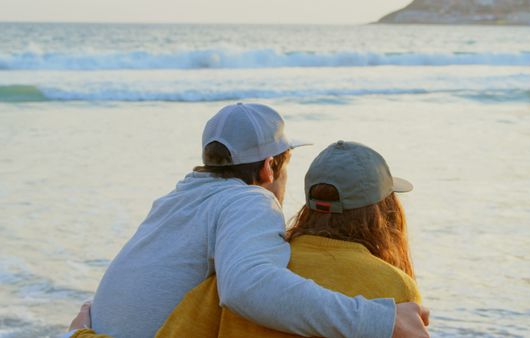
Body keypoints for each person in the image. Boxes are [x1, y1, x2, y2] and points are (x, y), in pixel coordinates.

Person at [66, 103, 429, 338]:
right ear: (270, 167)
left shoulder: (174, 201)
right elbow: (248, 288)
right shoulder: (250, 201)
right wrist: (382, 320)